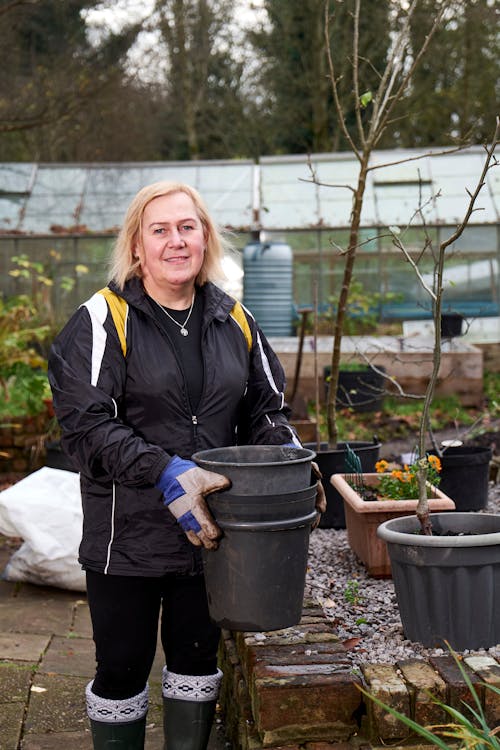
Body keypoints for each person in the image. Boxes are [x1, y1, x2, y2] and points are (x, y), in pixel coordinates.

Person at [48, 180, 326, 750]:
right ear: (137, 247)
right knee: (122, 667)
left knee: (197, 664)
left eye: (187, 227)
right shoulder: (102, 321)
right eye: (160, 230)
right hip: (128, 538)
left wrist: (288, 462)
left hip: (212, 536)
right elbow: (86, 426)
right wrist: (165, 470)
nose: (176, 241)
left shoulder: (233, 319)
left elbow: (266, 410)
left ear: (205, 239)